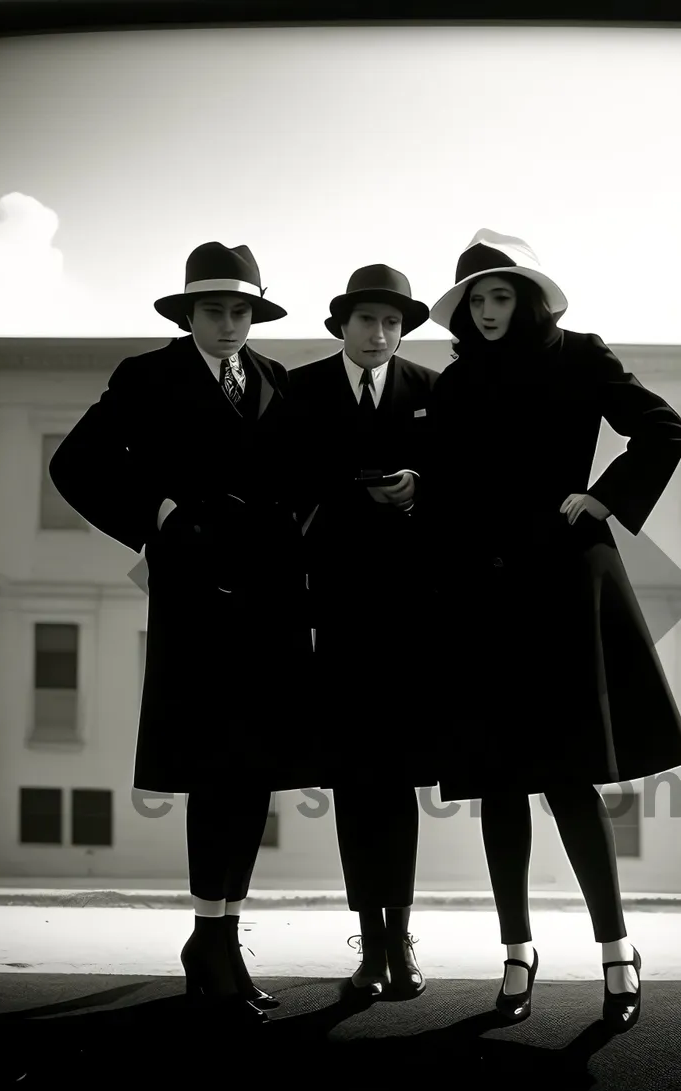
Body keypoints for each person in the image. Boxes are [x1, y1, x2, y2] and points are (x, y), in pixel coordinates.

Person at [424, 229, 681, 1030]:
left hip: (561, 586)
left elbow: (662, 428)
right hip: (480, 595)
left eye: (501, 296)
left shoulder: (581, 356)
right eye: (476, 300)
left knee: (568, 778)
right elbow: (444, 485)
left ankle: (616, 952)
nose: (488, 311)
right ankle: (517, 953)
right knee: (498, 786)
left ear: (529, 299)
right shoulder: (456, 382)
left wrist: (603, 497)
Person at [48, 241, 321, 1030]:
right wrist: (157, 517)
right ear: (187, 313)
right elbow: (74, 465)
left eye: (242, 311)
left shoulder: (274, 380)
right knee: (214, 766)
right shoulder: (148, 378)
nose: (230, 324)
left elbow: (298, 477)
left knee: (255, 773)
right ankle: (208, 941)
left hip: (270, 602)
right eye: (215, 311)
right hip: (199, 600)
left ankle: (224, 942)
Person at [288, 265, 439, 1000]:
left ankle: (402, 936)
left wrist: (417, 491)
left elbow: (458, 485)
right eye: (365, 321)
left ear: (402, 329)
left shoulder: (432, 391)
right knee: (355, 781)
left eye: (391, 323)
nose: (378, 335)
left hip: (409, 619)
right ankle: (371, 945)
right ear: (340, 325)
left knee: (399, 779)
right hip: (338, 613)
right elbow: (284, 488)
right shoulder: (301, 390)